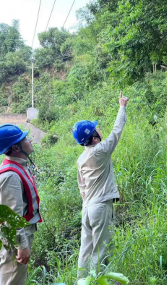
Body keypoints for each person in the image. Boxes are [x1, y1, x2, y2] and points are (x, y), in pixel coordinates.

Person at [72, 91, 129, 279]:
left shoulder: (82, 158)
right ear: (94, 137)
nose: (100, 130)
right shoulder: (100, 151)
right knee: (100, 250)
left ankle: (81, 281)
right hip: (100, 206)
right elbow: (116, 132)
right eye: (97, 129)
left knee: (86, 249)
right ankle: (98, 281)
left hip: (87, 207)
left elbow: (82, 187)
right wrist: (122, 107)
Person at [0, 124, 42, 285]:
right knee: (12, 281)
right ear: (15, 147)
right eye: (24, 139)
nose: (29, 140)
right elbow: (12, 218)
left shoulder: (19, 167)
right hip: (15, 238)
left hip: (20, 235)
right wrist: (22, 245)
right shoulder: (10, 176)